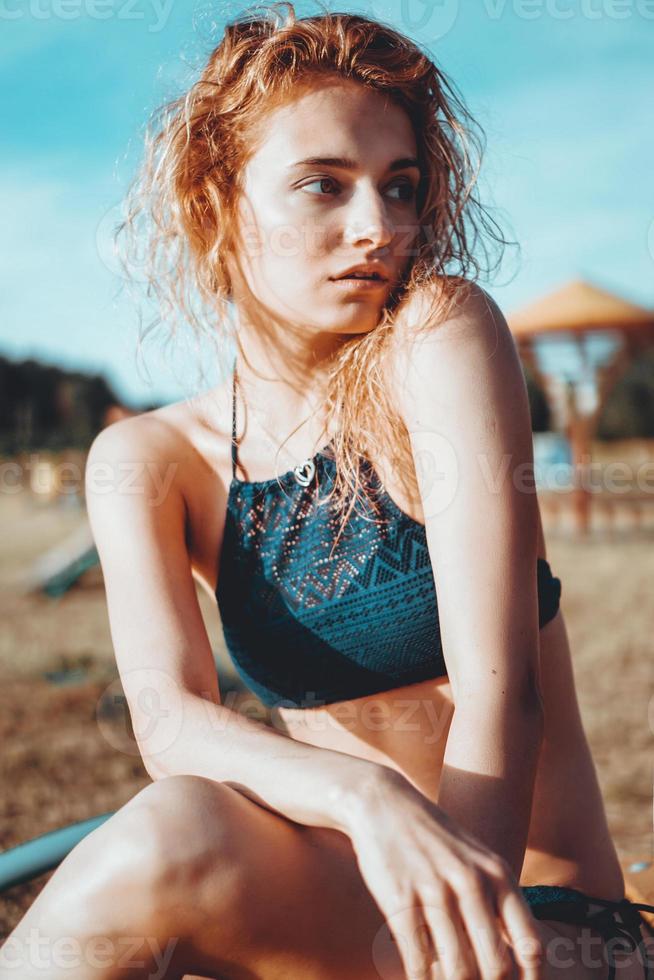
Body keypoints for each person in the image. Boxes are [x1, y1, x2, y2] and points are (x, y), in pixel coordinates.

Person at [2, 4, 652, 979]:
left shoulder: (438, 336)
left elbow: (501, 691)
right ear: (215, 203)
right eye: (323, 185)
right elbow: (170, 721)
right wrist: (362, 792)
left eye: (401, 186)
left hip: (530, 907)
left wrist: (454, 942)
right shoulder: (147, 457)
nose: (379, 227)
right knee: (174, 826)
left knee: (177, 838)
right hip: (342, 891)